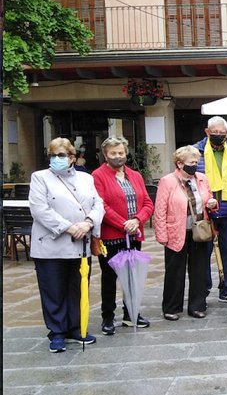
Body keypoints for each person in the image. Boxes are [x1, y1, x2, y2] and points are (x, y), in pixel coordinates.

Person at [29, 138, 105, 353]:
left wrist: (89, 222)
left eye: (61, 155)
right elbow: (39, 209)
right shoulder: (40, 177)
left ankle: (76, 327)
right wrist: (70, 227)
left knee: (77, 289)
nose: (56, 159)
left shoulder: (86, 178)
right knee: (53, 290)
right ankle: (57, 332)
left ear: (72, 157)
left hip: (80, 243)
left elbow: (98, 203)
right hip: (51, 245)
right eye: (53, 155)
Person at [91, 136, 155, 335]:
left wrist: (137, 220)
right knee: (109, 278)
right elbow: (101, 205)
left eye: (121, 153)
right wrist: (123, 224)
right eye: (113, 153)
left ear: (126, 153)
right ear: (105, 155)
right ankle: (108, 317)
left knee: (132, 276)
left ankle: (131, 313)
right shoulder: (98, 175)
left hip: (134, 234)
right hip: (111, 236)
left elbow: (147, 202)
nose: (117, 156)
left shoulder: (134, 175)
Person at [154, 146, 218, 320]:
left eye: (196, 162)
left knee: (199, 270)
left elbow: (209, 198)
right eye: (191, 162)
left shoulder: (202, 179)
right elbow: (160, 209)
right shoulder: (167, 181)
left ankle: (197, 305)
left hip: (199, 230)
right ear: (180, 163)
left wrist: (212, 203)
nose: (195, 165)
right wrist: (162, 235)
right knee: (175, 271)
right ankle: (172, 307)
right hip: (176, 231)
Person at [194, 116, 227, 305]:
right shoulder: (195, 151)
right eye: (213, 133)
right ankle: (203, 291)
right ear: (207, 132)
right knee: (203, 254)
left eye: (221, 133)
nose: (217, 136)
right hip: (205, 213)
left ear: (226, 134)